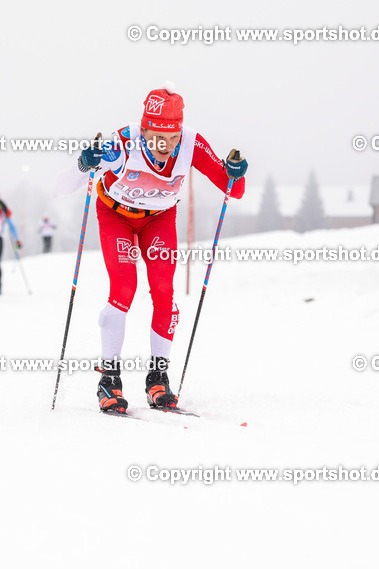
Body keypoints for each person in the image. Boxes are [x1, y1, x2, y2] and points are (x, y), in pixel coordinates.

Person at [56, 83, 247, 413]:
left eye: (173, 137)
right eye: (158, 136)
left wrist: (236, 173)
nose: (166, 146)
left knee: (163, 290)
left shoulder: (191, 143)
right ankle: (109, 379)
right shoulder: (122, 143)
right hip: (116, 216)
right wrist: (83, 164)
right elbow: (61, 188)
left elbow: (234, 188)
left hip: (159, 219)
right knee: (124, 287)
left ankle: (158, 377)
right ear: (143, 129)